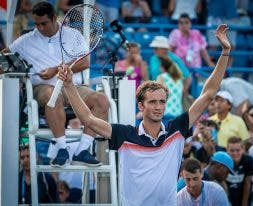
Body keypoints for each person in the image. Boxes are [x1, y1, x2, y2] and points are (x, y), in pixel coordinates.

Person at [57, 24, 231, 205]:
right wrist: (69, 85)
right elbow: (88, 119)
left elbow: (208, 94)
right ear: (141, 105)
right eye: (152, 102)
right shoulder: (125, 134)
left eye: (162, 102)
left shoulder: (176, 129)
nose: (158, 107)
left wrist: (225, 51)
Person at [2, 2, 109, 167]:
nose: (40, 28)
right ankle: (62, 149)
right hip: (42, 89)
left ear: (54, 18)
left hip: (72, 87)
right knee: (52, 94)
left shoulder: (73, 35)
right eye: (37, 24)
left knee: (102, 100)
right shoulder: (26, 40)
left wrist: (54, 70)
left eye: (43, 23)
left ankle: (82, 150)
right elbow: (4, 56)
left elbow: (85, 62)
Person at [226, 137, 253, 206]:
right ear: (227, 150)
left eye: (238, 150)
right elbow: (222, 182)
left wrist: (244, 204)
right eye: (232, 150)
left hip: (242, 195)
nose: (235, 153)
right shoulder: (224, 160)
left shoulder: (248, 160)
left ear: (243, 150)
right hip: (228, 195)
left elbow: (247, 184)